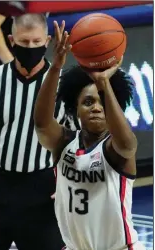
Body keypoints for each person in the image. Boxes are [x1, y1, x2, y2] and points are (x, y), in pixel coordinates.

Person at [34, 21, 146, 250]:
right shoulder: (64, 143)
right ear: (76, 109)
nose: (96, 107)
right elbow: (42, 124)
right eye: (88, 102)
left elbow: (127, 144)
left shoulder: (115, 149)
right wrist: (55, 67)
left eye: (102, 101)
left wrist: (104, 82)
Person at [0, 14, 66, 250]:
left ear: (48, 41)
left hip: (44, 190)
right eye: (24, 43)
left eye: (36, 42)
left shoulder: (63, 84)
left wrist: (69, 182)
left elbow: (80, 141)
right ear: (11, 40)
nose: (31, 48)